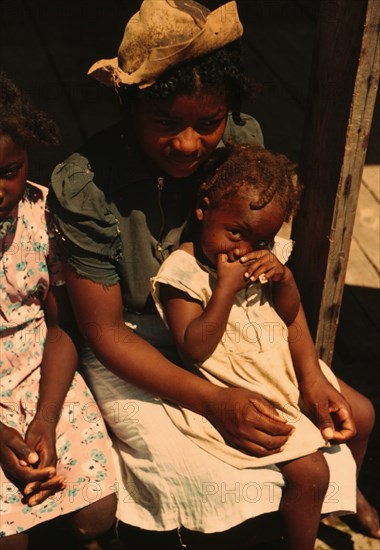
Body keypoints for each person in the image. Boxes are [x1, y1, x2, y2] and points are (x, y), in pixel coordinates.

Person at [47, 0, 378, 546]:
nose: (187, 144)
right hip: (139, 347)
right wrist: (211, 401)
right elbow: (104, 333)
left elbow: (270, 285)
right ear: (131, 108)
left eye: (208, 123)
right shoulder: (90, 184)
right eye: (165, 123)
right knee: (202, 474)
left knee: (346, 415)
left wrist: (313, 375)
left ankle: (339, 492)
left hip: (238, 327)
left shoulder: (240, 151)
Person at [151, 142, 378, 549]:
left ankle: (349, 493)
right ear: (204, 208)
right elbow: (193, 348)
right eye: (235, 232)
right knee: (310, 473)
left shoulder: (262, 254)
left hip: (279, 365)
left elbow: (290, 316)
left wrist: (285, 280)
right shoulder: (182, 273)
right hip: (236, 382)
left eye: (261, 240)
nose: (243, 250)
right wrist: (224, 292)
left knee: (362, 413)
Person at [0, 73, 117, 550]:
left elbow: (63, 325)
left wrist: (46, 416)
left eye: (9, 170)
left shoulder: (43, 216)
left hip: (41, 370)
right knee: (11, 538)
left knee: (96, 513)